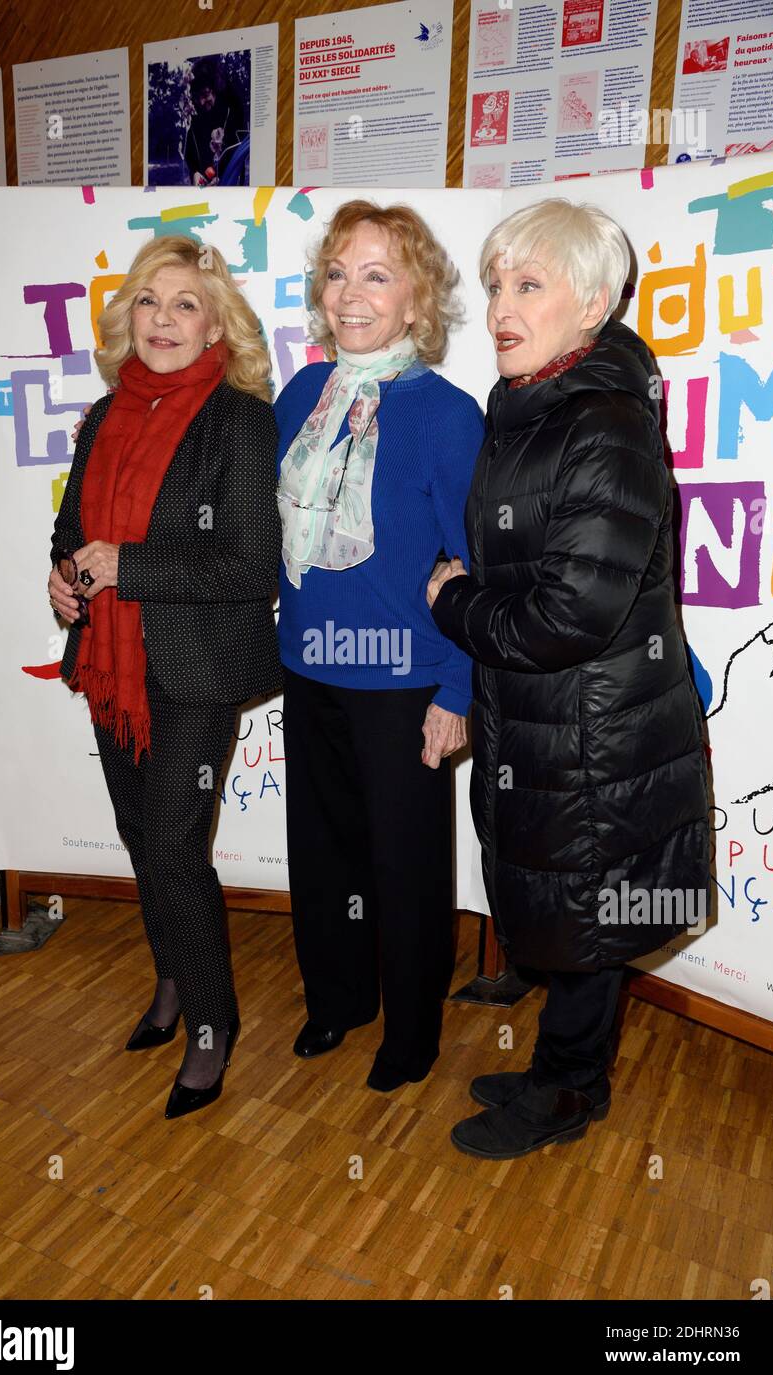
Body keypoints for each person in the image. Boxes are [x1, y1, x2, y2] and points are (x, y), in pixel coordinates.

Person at [428, 198, 711, 1159]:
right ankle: (559, 1070)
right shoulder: (536, 411)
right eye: (496, 285)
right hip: (549, 724)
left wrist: (450, 602)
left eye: (529, 286)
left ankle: (568, 1094)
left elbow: (564, 617)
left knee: (588, 914)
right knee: (567, 908)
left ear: (590, 305)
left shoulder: (603, 426)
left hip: (597, 735)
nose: (501, 307)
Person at [48, 234, 281, 1120]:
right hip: (112, 664)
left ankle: (212, 1027)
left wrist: (124, 568)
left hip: (191, 670)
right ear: (127, 318)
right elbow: (72, 526)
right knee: (142, 838)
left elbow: (251, 565)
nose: (165, 319)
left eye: (187, 304)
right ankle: (175, 982)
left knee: (175, 847)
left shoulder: (239, 420)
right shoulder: (108, 413)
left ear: (218, 323)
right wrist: (64, 573)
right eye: (150, 300)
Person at [275, 200, 486, 1092]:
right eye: (337, 273)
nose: (350, 294)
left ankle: (411, 1029)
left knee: (404, 868)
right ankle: (338, 1000)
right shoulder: (296, 397)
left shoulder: (444, 414)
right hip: (309, 667)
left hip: (404, 681)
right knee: (323, 857)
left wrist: (457, 689)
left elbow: (481, 565)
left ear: (415, 302)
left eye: (376, 275)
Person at [184, 59, 247, 186]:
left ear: (215, 89)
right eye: (197, 96)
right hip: (203, 189)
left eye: (206, 94)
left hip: (228, 188)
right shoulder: (195, 119)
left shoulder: (231, 114)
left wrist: (221, 177)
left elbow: (237, 156)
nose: (201, 102)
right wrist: (195, 172)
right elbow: (189, 155)